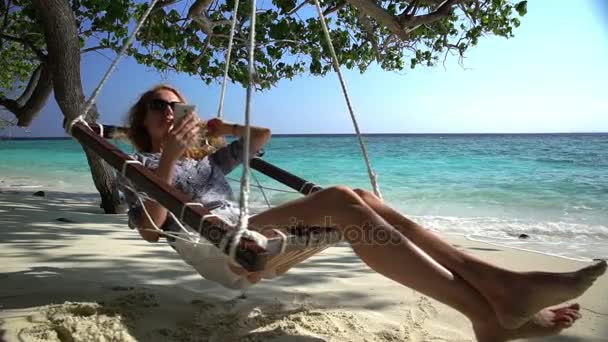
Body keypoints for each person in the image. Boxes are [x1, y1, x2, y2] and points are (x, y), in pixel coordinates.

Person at [117, 84, 606, 342]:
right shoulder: (138, 165)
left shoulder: (207, 157)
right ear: (142, 120)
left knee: (356, 198)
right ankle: (505, 291)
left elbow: (261, 139)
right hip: (219, 244)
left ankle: (491, 309)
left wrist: (226, 126)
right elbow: (150, 231)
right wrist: (168, 159)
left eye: (180, 107)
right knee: (339, 198)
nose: (172, 112)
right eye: (160, 105)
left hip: (253, 236)